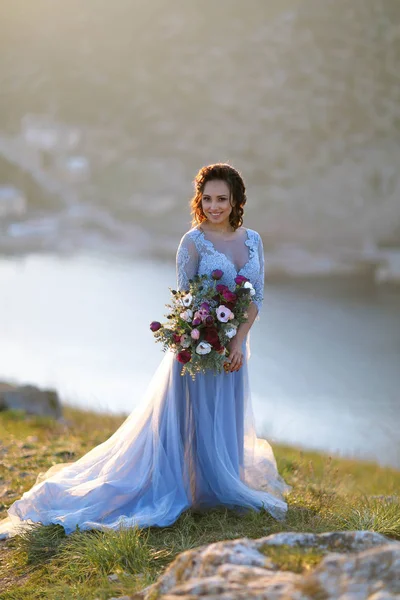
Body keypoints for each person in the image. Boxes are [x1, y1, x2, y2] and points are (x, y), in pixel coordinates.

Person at [0, 163, 290, 540]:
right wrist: (207, 337)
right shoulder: (193, 242)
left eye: (222, 199)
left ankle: (220, 483)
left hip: (234, 348)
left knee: (226, 415)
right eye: (208, 199)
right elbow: (185, 301)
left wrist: (237, 340)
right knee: (193, 418)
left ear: (236, 200)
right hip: (197, 348)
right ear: (199, 200)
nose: (215, 206)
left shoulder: (252, 240)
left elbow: (257, 296)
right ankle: (185, 488)